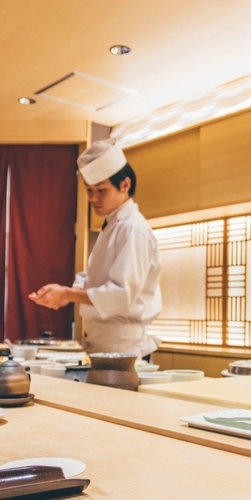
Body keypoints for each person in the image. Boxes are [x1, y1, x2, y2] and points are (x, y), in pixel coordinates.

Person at [28, 140, 162, 357]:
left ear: (125, 185)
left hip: (123, 347)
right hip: (103, 343)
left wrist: (69, 293)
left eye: (101, 190)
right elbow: (93, 276)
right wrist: (66, 294)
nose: (93, 198)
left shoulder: (133, 228)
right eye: (89, 190)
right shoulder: (113, 224)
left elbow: (121, 293)